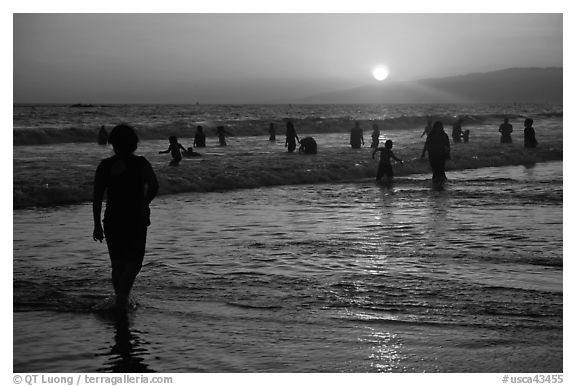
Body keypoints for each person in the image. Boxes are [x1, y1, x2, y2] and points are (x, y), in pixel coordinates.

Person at [93, 124, 159, 311]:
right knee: (134, 262)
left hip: (112, 218)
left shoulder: (105, 166)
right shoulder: (140, 163)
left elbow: (97, 198)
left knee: (118, 263)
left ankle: (120, 299)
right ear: (134, 143)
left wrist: (97, 224)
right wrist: (144, 203)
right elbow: (154, 185)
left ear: (113, 143)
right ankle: (122, 299)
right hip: (135, 217)